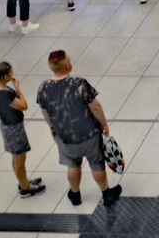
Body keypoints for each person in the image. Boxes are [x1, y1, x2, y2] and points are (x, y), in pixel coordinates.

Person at [36, 50, 121, 207]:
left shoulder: (43, 88)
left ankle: (75, 194)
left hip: (65, 136)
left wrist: (52, 128)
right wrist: (104, 124)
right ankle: (106, 193)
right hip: (89, 134)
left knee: (73, 164)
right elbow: (95, 106)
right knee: (96, 163)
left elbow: (45, 112)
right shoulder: (80, 84)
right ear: (68, 66)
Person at [0, 62, 46, 198]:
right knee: (20, 159)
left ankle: (23, 182)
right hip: (14, 129)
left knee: (17, 157)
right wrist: (17, 88)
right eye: (10, 73)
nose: (12, 75)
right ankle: (25, 189)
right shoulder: (5, 94)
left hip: (7, 126)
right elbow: (24, 105)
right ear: (4, 76)